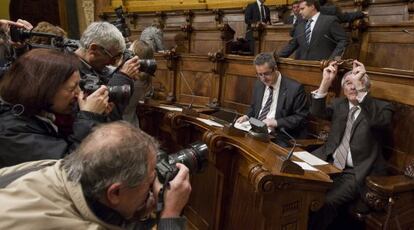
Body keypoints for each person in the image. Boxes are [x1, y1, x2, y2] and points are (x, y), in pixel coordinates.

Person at [0, 121, 191, 229]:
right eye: (149, 180)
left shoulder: (50, 167)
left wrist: (135, 208)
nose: (153, 186)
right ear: (114, 193)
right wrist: (170, 215)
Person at [308, 60, 394, 229]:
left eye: (358, 83)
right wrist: (326, 81)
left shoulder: (382, 108)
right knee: (303, 191)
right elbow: (316, 112)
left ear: (366, 88)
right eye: (348, 83)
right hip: (331, 164)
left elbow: (380, 122)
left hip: (358, 172)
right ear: (343, 89)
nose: (353, 87)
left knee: (326, 202)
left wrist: (359, 84)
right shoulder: (339, 104)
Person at [0, 49, 109, 168]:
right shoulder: (12, 132)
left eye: (79, 85)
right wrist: (89, 117)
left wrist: (97, 116)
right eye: (72, 89)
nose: (79, 93)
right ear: (44, 90)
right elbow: (69, 169)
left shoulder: (45, 112)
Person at [74, 22, 140, 120]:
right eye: (113, 58)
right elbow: (109, 119)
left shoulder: (93, 67)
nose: (113, 64)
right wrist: (123, 77)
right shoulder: (72, 73)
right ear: (94, 50)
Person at [236, 52, 309, 138]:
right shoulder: (258, 84)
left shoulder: (294, 88)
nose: (263, 79)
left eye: (266, 74)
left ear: (275, 68)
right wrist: (246, 116)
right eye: (260, 74)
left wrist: (276, 122)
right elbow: (254, 107)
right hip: (256, 129)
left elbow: (301, 118)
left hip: (279, 135)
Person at [278, 0, 348, 60]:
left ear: (312, 7)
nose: (300, 12)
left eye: (302, 9)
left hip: (323, 66)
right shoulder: (300, 25)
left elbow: (343, 40)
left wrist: (333, 60)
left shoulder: (329, 21)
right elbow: (292, 45)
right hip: (303, 66)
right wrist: (275, 57)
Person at [123, 40, 155, 127]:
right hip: (132, 122)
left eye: (129, 50)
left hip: (119, 124)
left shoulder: (128, 78)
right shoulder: (145, 79)